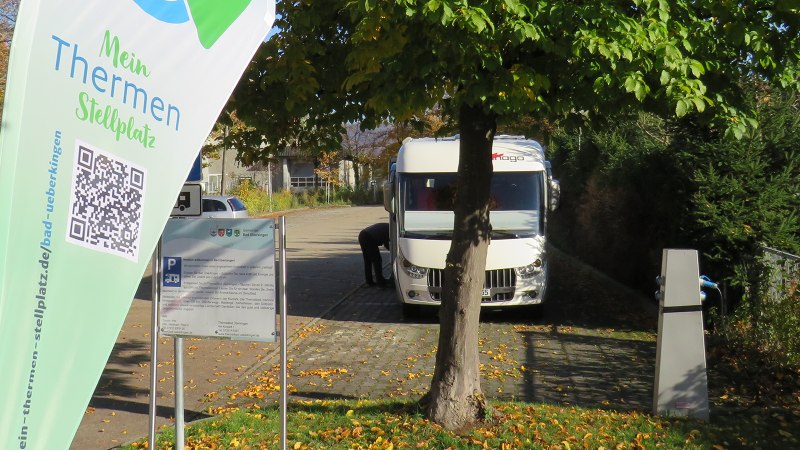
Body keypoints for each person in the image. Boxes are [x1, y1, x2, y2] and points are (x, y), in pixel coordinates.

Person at [358, 222, 391, 286]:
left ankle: (369, 281)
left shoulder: (387, 226)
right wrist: (394, 252)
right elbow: (386, 244)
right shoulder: (389, 230)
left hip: (362, 235)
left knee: (368, 260)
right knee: (377, 260)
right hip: (368, 238)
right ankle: (380, 282)